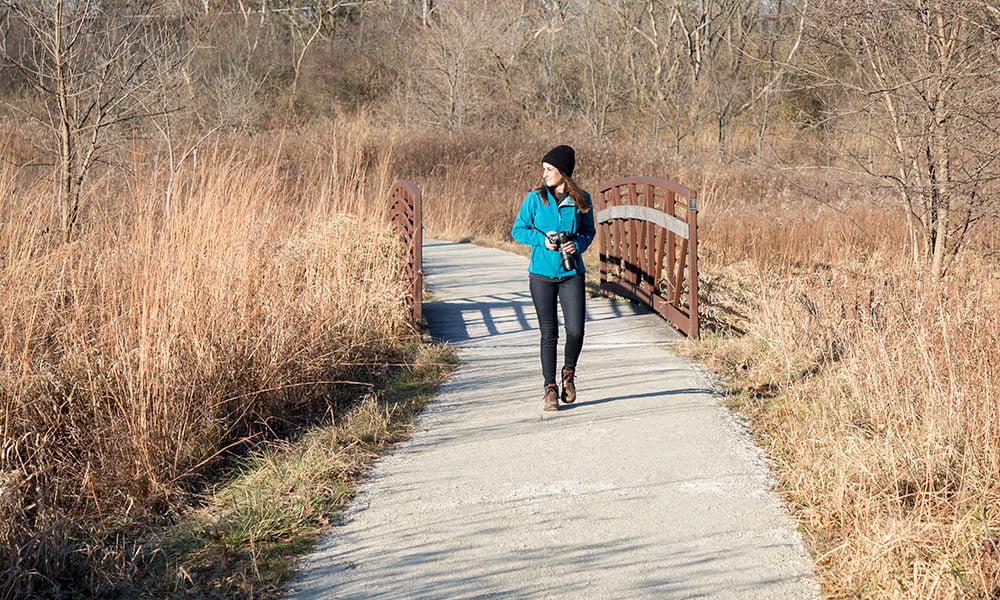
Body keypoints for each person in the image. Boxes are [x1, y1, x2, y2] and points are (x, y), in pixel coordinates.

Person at [511, 145, 596, 411]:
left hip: (572, 272)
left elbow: (589, 232)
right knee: (549, 333)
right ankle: (550, 388)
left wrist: (577, 245)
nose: (544, 174)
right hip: (541, 274)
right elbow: (517, 230)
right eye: (544, 170)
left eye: (549, 170)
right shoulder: (535, 198)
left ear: (563, 173)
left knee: (576, 330)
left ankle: (568, 374)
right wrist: (542, 240)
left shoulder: (582, 199)